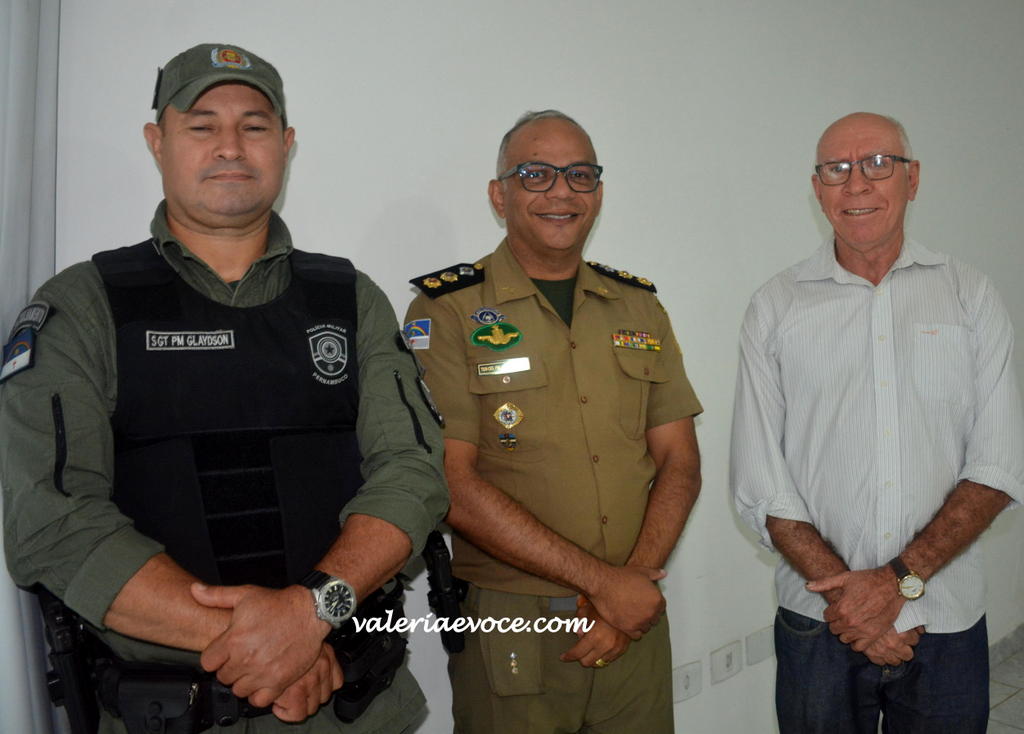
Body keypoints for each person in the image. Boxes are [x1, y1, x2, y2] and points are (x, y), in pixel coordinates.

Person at [0, 43, 448, 733]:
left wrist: (311, 612)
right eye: (202, 125)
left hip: (354, 708)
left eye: (254, 125)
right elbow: (53, 522)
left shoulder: (349, 299)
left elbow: (413, 472)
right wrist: (271, 641)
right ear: (158, 142)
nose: (230, 146)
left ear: (286, 145)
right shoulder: (83, 307)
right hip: (173, 715)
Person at [404, 110, 703, 733]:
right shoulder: (448, 311)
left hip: (635, 620)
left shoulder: (639, 307)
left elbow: (680, 459)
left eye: (579, 175)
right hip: (516, 624)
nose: (561, 191)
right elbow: (452, 484)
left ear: (598, 192)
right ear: (499, 195)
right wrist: (606, 586)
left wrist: (629, 586)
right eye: (536, 174)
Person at [730, 112, 1024, 733]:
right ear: (818, 190)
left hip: (946, 618)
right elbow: (761, 481)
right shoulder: (775, 306)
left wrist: (897, 584)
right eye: (837, 169)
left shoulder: (969, 295)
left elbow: (998, 466)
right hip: (820, 620)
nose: (857, 183)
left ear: (912, 179)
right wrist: (855, 603)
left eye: (878, 164)